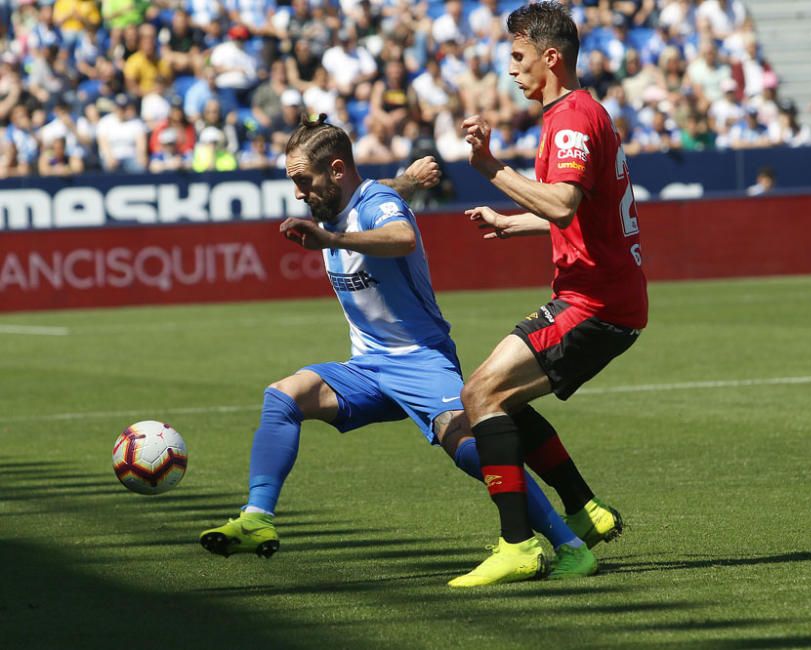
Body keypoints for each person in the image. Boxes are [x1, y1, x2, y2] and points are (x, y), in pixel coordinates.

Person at [198, 115, 598, 582]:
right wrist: (409, 178)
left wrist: (331, 239)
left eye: (303, 180)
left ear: (337, 171)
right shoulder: (345, 200)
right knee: (283, 397)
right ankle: (257, 518)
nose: (299, 193)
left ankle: (569, 546)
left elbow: (400, 235)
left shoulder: (368, 209)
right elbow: (380, 189)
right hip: (368, 367)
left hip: (421, 359)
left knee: (471, 450)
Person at [452, 2, 647, 588]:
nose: (510, 69)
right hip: (604, 298)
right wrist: (511, 222)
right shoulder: (578, 113)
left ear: (550, 57)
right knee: (497, 397)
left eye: (517, 56)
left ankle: (518, 545)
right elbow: (581, 215)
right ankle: (583, 511)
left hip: (596, 304)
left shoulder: (570, 121)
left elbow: (561, 203)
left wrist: (491, 167)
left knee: (480, 393)